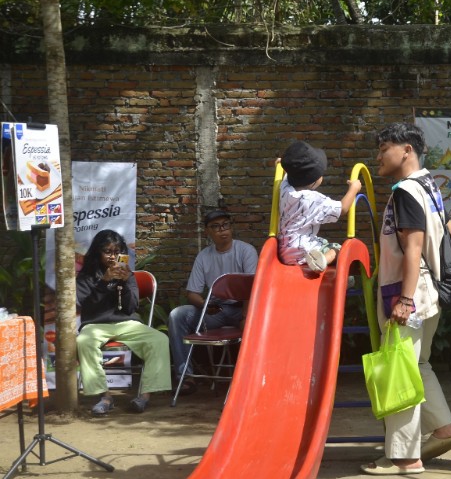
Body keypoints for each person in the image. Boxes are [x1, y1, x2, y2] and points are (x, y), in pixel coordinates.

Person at [361, 121, 451, 475]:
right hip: (429, 292)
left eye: (383, 148)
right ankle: (445, 429)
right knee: (418, 365)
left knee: (399, 368)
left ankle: (406, 456)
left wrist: (404, 300)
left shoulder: (406, 190)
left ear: (406, 149)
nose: (378, 156)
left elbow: (414, 246)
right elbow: (449, 234)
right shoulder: (430, 186)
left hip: (409, 292)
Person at [77, 230, 171, 415]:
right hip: (95, 324)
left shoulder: (128, 275)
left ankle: (144, 397)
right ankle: (105, 396)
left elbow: (130, 308)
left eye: (117, 251)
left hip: (126, 323)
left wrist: (127, 283)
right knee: (83, 341)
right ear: (98, 252)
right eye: (107, 251)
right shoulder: (86, 276)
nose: (113, 256)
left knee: (159, 339)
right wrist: (104, 282)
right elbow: (88, 305)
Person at [167, 208, 258, 389]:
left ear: (231, 228)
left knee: (256, 322)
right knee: (177, 315)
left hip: (243, 308)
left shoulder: (246, 251)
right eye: (215, 227)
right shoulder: (204, 256)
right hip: (215, 310)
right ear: (207, 232)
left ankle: (250, 380)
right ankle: (186, 375)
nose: (222, 230)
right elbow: (192, 292)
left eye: (225, 225)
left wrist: (245, 317)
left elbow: (252, 289)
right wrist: (205, 305)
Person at [276, 140, 363, 272]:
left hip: (285, 252)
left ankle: (318, 260)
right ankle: (322, 260)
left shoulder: (285, 187)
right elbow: (343, 208)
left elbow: (288, 173)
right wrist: (354, 189)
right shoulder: (312, 200)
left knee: (322, 242)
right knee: (339, 249)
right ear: (314, 180)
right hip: (305, 251)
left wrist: (283, 164)